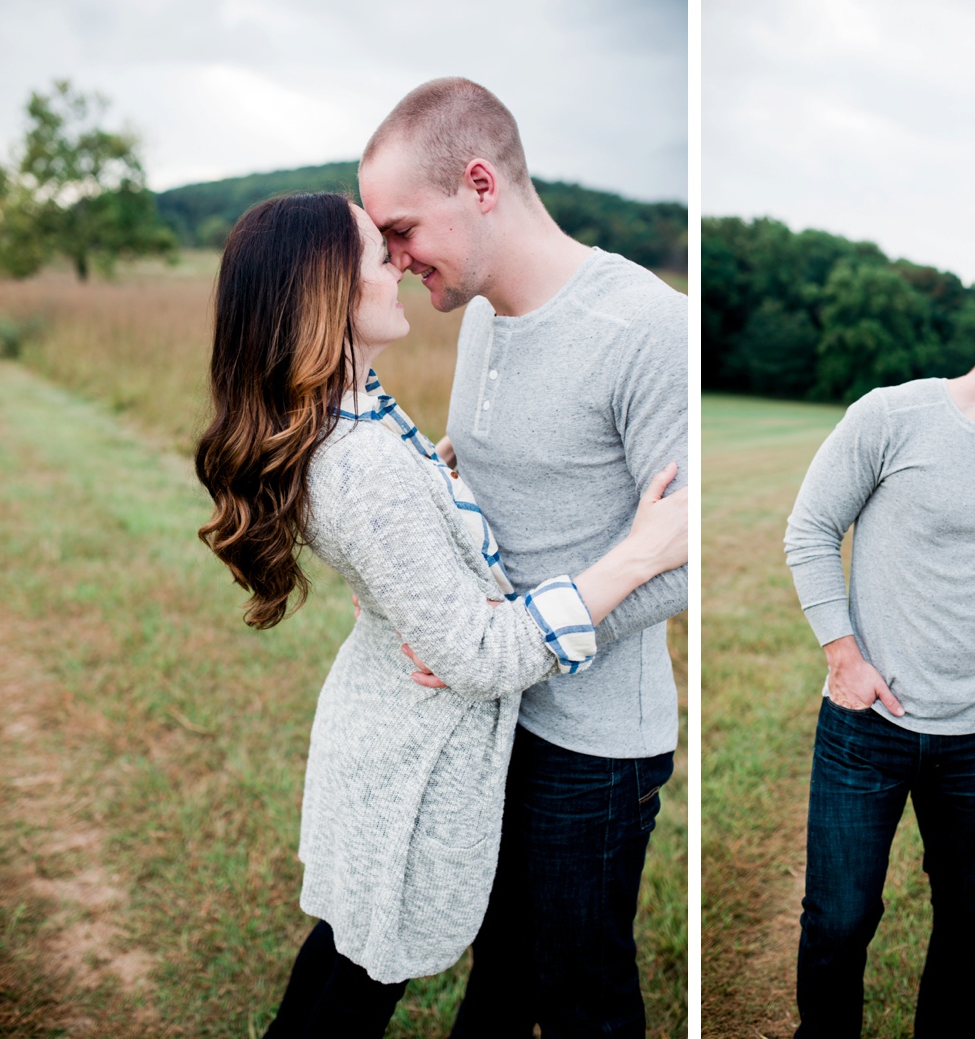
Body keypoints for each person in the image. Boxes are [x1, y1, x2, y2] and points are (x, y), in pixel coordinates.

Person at [193, 192, 687, 1038]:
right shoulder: (359, 465)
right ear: (326, 294)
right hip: (412, 754)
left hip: (391, 726)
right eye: (374, 252)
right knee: (360, 973)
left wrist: (439, 496)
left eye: (396, 238)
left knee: (355, 953)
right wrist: (644, 550)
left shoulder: (349, 418)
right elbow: (480, 649)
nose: (397, 263)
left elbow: (406, 497)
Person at [356, 78, 688, 1038]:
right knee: (498, 970)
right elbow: (490, 501)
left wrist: (508, 640)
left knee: (584, 995)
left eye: (404, 229)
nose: (393, 258)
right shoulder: (482, 318)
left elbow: (675, 554)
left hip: (590, 748)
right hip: (485, 713)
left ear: (479, 184)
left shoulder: (648, 328)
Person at [783, 277, 975, 1038]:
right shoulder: (890, 416)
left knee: (966, 918)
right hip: (867, 729)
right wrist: (845, 656)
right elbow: (809, 531)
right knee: (840, 918)